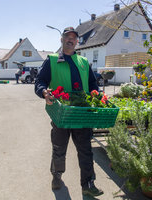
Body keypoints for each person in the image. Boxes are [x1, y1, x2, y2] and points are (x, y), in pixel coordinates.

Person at [35, 27, 103, 197]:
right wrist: (44, 92)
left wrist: (98, 96)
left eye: (73, 38)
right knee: (59, 149)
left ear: (77, 41)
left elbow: (93, 85)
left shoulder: (84, 62)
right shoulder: (51, 60)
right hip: (61, 114)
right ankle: (56, 176)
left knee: (86, 150)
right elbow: (40, 81)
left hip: (82, 114)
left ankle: (88, 183)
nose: (70, 40)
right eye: (67, 37)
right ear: (62, 39)